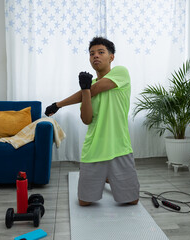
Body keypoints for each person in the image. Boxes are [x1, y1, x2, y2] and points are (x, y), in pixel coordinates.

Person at [45, 37, 140, 206]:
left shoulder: (120, 73)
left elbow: (95, 88)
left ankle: (109, 178)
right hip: (94, 149)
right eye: (91, 54)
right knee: (84, 202)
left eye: (101, 52)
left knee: (131, 201)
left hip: (119, 147)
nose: (95, 56)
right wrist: (85, 91)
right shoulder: (87, 89)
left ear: (111, 57)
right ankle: (106, 177)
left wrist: (58, 104)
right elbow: (86, 119)